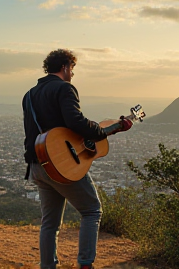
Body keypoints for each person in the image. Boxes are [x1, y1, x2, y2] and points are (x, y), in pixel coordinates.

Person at [22, 49, 133, 269]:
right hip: (62, 164)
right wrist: (108, 129)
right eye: (72, 69)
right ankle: (85, 264)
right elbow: (75, 122)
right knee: (92, 210)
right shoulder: (65, 88)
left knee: (50, 223)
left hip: (38, 163)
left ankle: (48, 266)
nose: (72, 73)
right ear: (65, 67)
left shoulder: (30, 94)